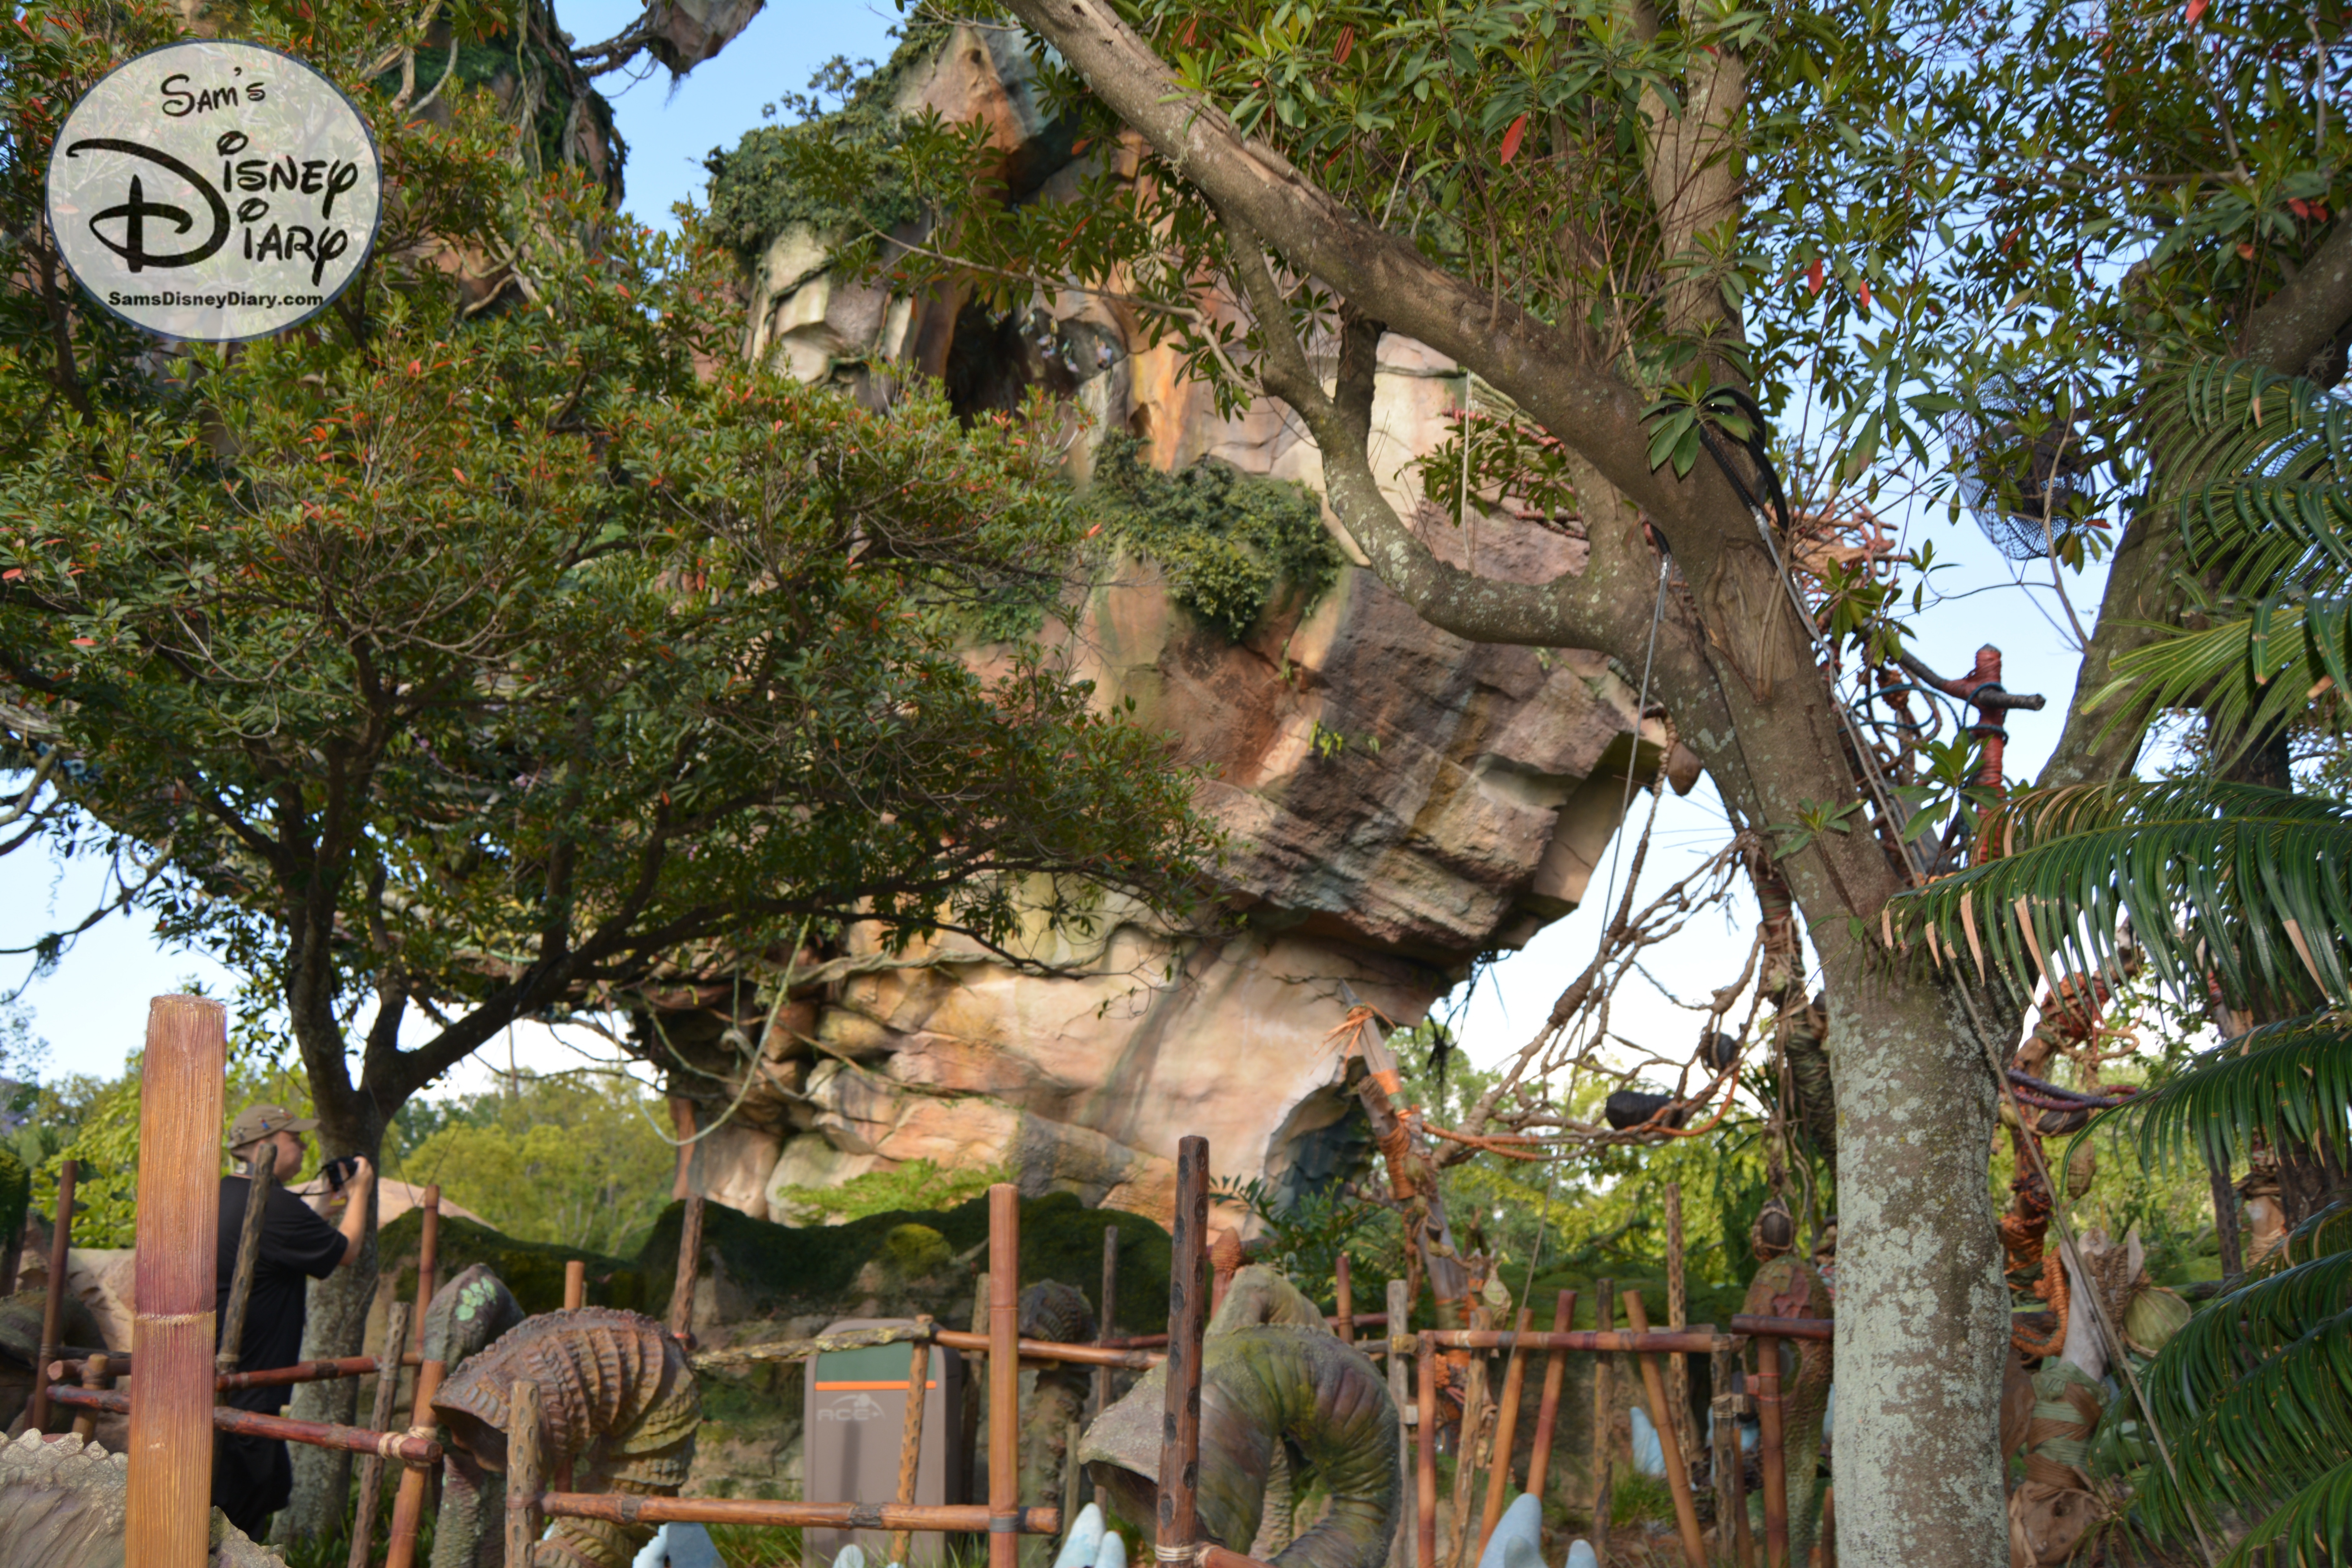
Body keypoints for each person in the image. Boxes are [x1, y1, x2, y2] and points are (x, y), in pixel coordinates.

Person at [213, 1102, 374, 1539]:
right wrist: (360, 1192)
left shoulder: (225, 1194)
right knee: (238, 1531)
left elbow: (288, 1236)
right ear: (264, 1144)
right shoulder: (272, 1206)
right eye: (295, 1137)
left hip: (217, 1387)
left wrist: (326, 1197)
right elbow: (347, 1251)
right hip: (247, 1397)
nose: (303, 1146)